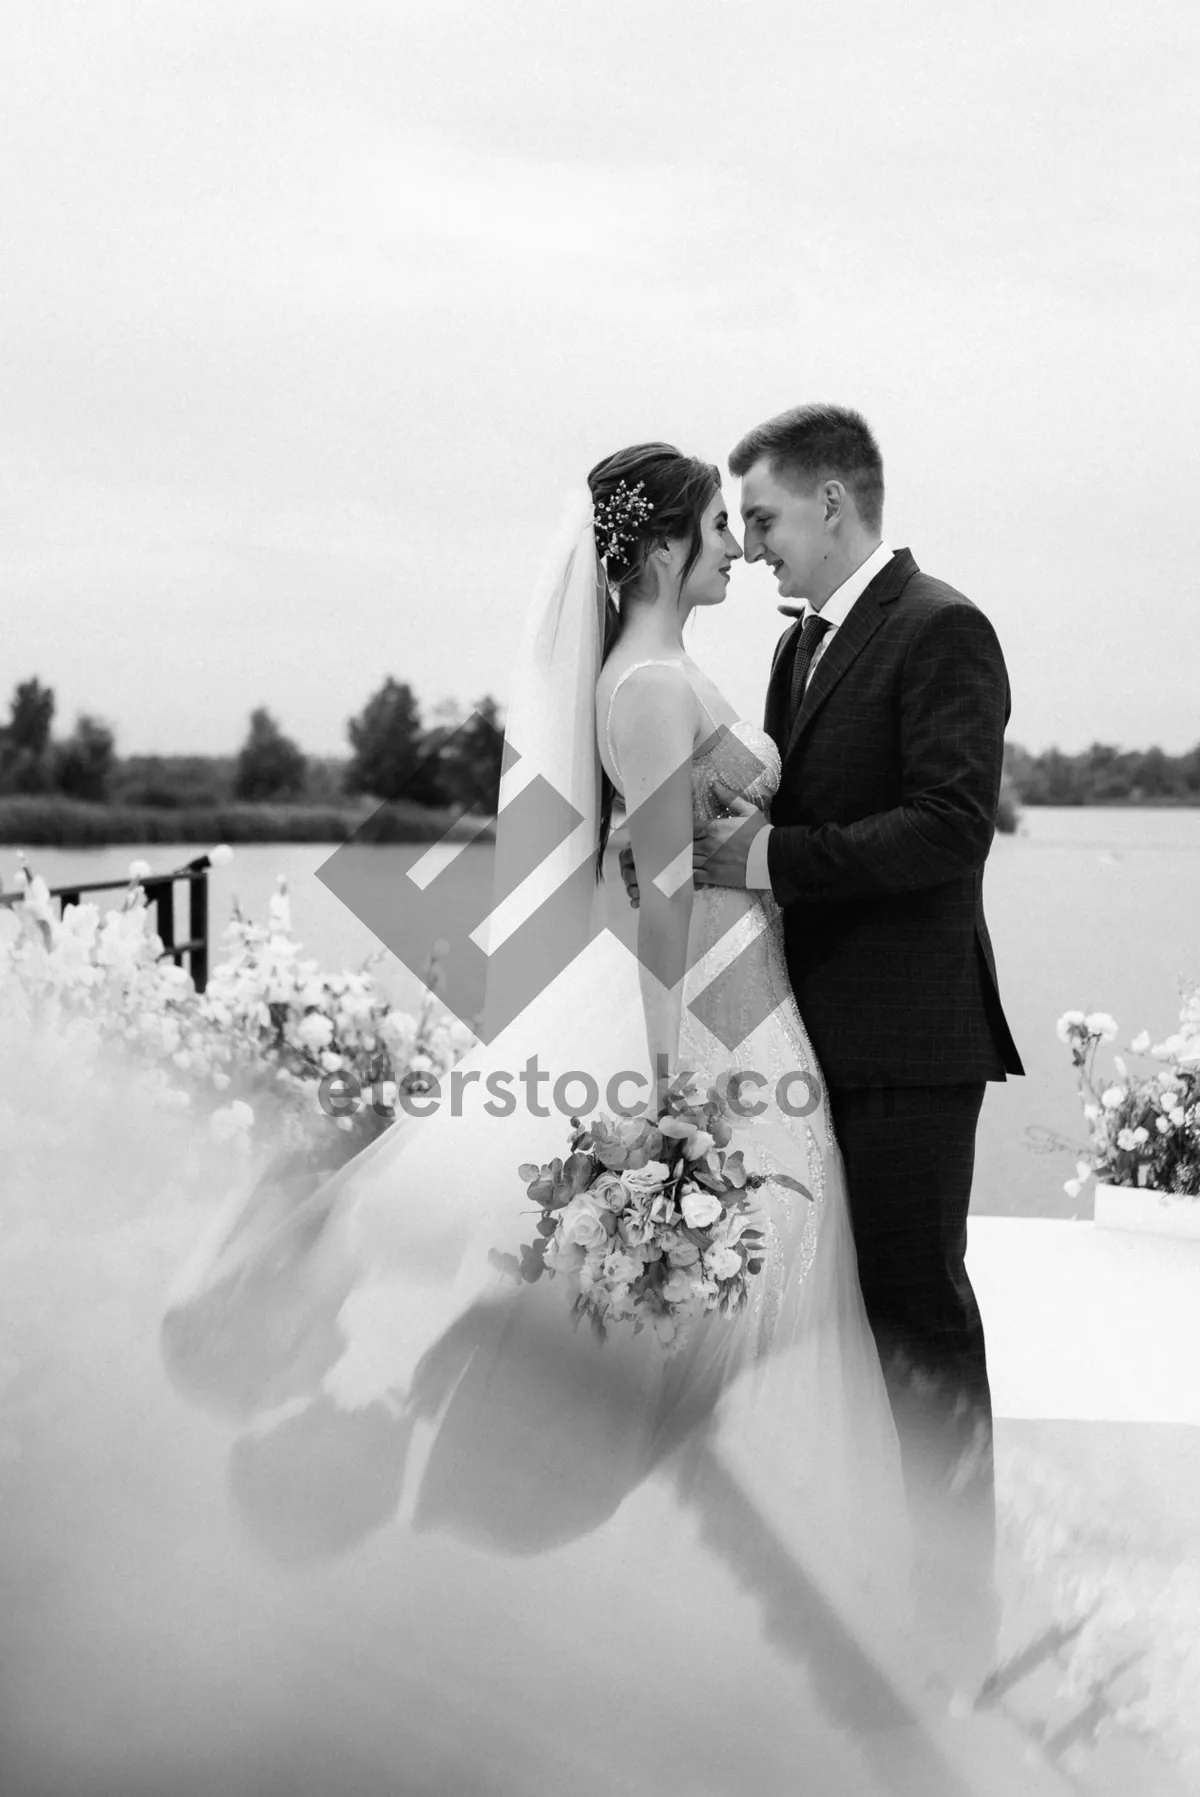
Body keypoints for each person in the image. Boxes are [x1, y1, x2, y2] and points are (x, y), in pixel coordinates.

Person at [623, 405, 1024, 1677]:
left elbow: (950, 828)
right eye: (736, 525)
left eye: (767, 520)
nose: (753, 546)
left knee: (919, 1314)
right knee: (829, 1317)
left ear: (837, 503)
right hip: (797, 1039)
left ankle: (960, 1611)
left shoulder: (943, 628)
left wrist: (770, 857)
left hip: (910, 1039)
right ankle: (842, 1587)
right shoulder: (801, 656)